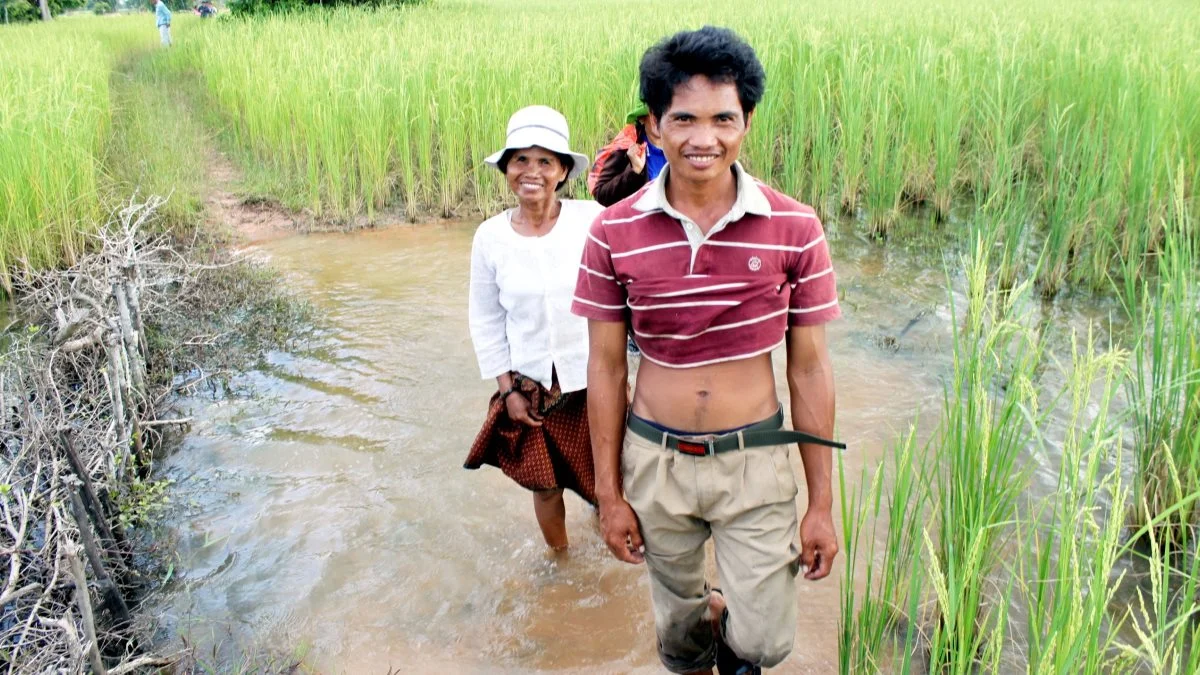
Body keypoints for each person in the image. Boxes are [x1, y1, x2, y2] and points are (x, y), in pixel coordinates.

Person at [572, 27, 845, 675]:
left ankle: (732, 628)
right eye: (683, 119)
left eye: (723, 118)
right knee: (679, 638)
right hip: (656, 463)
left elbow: (809, 368)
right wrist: (609, 495)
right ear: (654, 127)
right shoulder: (612, 231)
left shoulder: (794, 226)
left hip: (756, 462)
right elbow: (606, 368)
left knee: (767, 643)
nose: (704, 138)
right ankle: (701, 632)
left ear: (747, 120)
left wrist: (822, 504)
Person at [464, 105, 604, 553]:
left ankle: (614, 553)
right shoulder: (490, 237)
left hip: (594, 381)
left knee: (609, 481)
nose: (532, 171)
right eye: (520, 159)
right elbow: (485, 318)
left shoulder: (591, 220)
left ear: (563, 171)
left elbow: (628, 290)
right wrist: (508, 391)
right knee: (545, 487)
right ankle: (562, 565)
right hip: (532, 387)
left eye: (545, 161)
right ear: (506, 168)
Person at [588, 102, 667, 207]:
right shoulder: (627, 147)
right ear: (641, 118)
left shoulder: (683, 147)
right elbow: (601, 195)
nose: (660, 119)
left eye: (665, 113)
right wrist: (634, 172)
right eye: (654, 113)